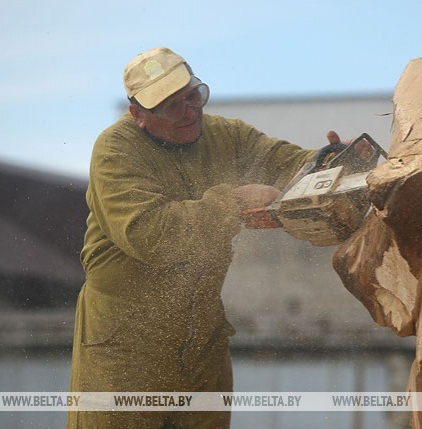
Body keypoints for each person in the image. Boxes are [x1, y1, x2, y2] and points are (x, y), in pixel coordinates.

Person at [67, 47, 319, 429]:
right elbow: (152, 233)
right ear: (138, 115)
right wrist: (232, 203)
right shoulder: (116, 150)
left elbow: (291, 165)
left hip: (203, 345)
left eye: (193, 96)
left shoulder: (226, 136)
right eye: (170, 107)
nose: (189, 112)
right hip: (124, 352)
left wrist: (335, 161)